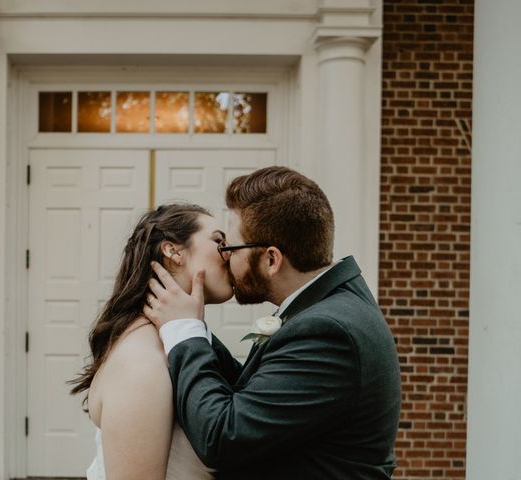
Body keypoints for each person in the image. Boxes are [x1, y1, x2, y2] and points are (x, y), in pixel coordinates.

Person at [144, 166, 402, 479]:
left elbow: (223, 438)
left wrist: (184, 334)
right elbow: (261, 398)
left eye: (230, 247)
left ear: (271, 259)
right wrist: (194, 329)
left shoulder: (328, 331)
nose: (225, 256)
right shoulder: (329, 306)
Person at [70, 204, 233, 480]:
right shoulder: (142, 360)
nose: (230, 253)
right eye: (219, 241)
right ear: (174, 252)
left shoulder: (173, 341)